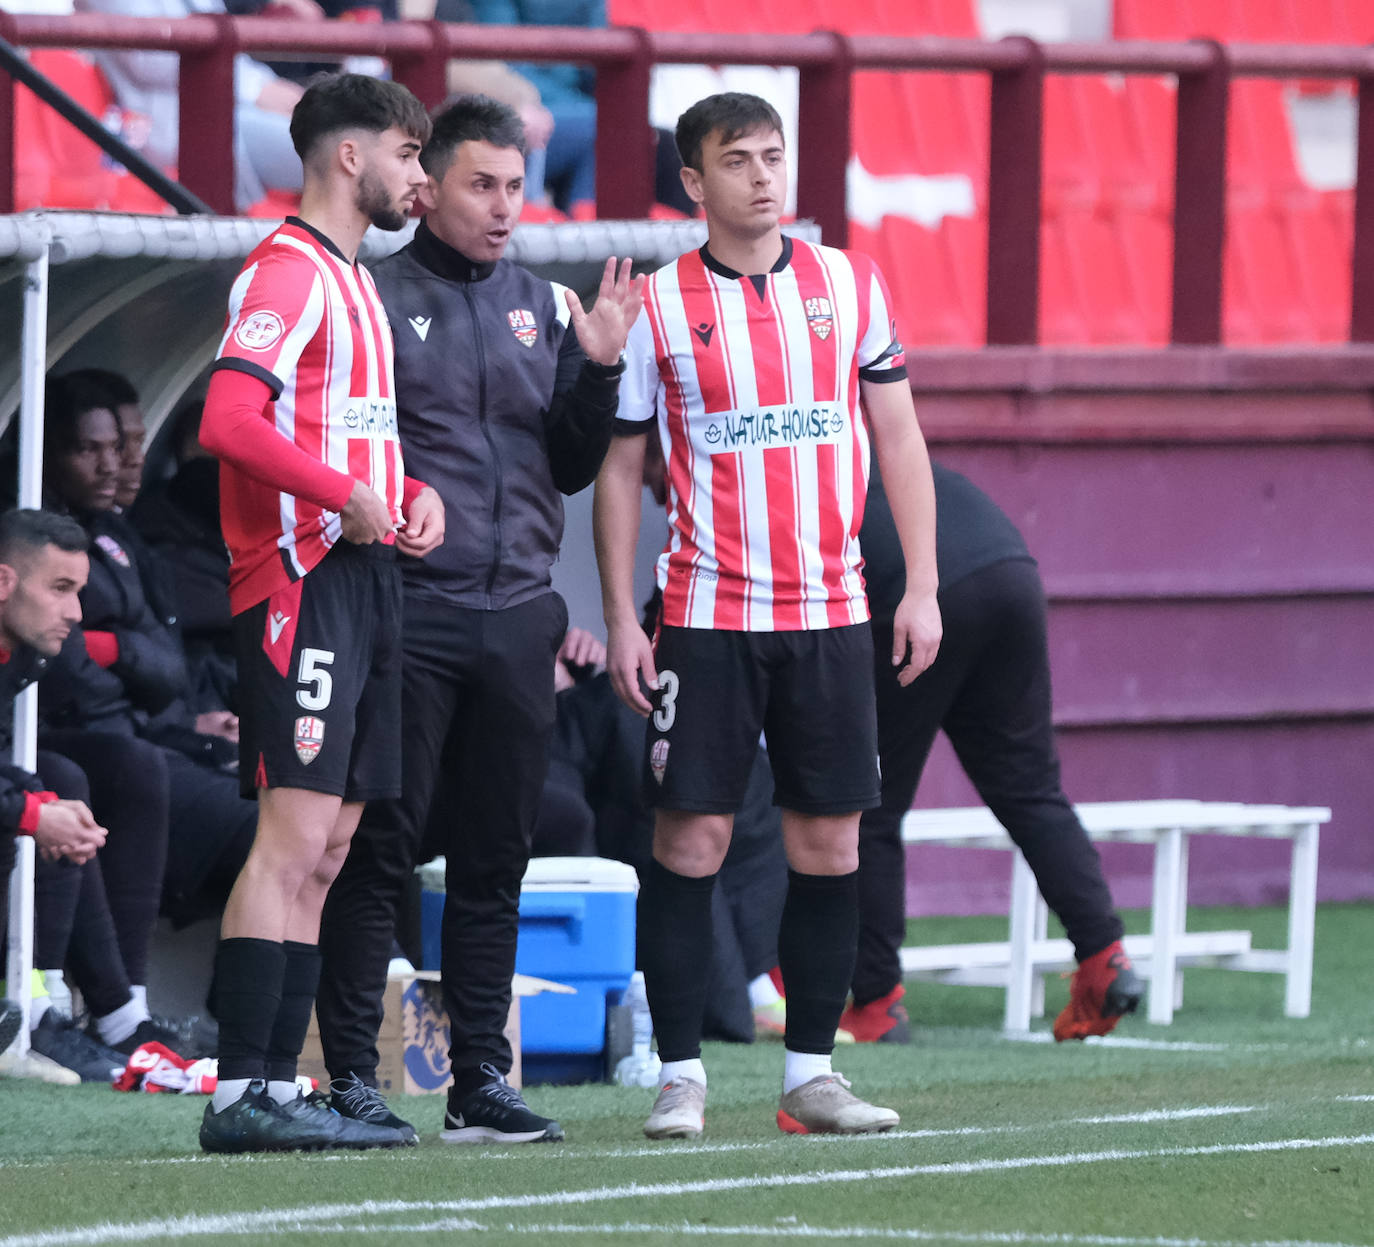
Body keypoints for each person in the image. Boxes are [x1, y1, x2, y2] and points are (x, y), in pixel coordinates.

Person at [593, 91, 941, 1140]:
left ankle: (811, 1075)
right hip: (706, 612)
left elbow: (900, 435)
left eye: (773, 156)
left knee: (831, 842)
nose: (761, 176)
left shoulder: (849, 282)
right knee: (691, 838)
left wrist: (921, 583)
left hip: (833, 610)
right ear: (693, 182)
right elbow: (619, 470)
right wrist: (621, 616)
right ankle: (680, 1075)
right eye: (737, 159)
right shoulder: (658, 304)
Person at [313, 93, 640, 1146]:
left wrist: (600, 366)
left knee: (497, 859)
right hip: (411, 609)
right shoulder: (371, 295)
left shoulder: (545, 304)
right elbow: (333, 439)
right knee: (380, 849)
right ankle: (351, 1077)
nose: (505, 207)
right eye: (482, 185)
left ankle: (479, 1083)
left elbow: (572, 464)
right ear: (428, 188)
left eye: (517, 187)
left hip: (518, 614)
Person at [194, 72, 444, 1153]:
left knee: (334, 843)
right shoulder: (288, 270)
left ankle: (278, 1087)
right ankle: (236, 1094)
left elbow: (345, 429)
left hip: (367, 577)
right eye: (408, 154)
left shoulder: (355, 281)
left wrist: (408, 488)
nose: (419, 178)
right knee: (293, 836)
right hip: (302, 580)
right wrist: (343, 492)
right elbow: (225, 418)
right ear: (351, 155)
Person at [839, 463, 1145, 1044]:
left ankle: (876, 1002)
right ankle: (1104, 955)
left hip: (920, 594)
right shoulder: (886, 456)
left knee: (868, 806)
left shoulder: (798, 476)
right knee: (1031, 791)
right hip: (1008, 574)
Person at [0, 508, 124, 1082]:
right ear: (4, 582)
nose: (75, 612)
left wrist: (41, 802)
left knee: (49, 798)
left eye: (78, 591)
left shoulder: (22, 653)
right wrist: (31, 811)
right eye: (59, 588)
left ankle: (28, 1011)